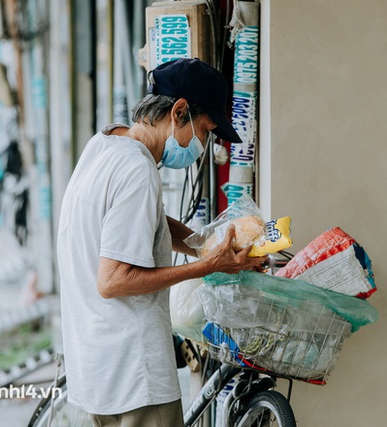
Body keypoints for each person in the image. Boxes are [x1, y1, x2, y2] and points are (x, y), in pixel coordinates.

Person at [56, 58, 267, 427]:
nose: (201, 144)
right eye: (204, 131)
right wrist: (208, 266)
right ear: (179, 111)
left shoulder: (105, 145)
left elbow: (143, 223)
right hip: (133, 375)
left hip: (95, 366)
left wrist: (206, 244)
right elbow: (113, 281)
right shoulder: (138, 171)